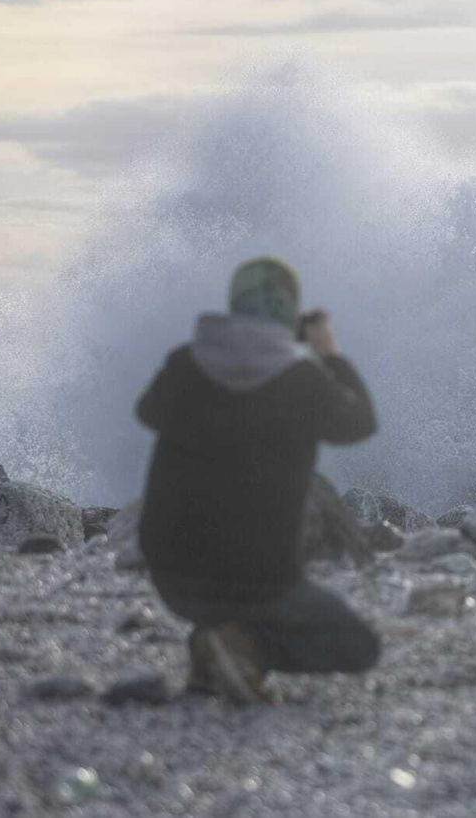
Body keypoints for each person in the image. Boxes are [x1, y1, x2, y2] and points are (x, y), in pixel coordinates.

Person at [135, 256, 380, 703]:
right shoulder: (302, 379)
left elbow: (147, 411)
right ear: (290, 314)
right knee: (360, 646)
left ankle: (217, 643)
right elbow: (360, 422)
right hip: (261, 581)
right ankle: (243, 647)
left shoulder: (185, 363)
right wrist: (330, 354)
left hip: (173, 575)